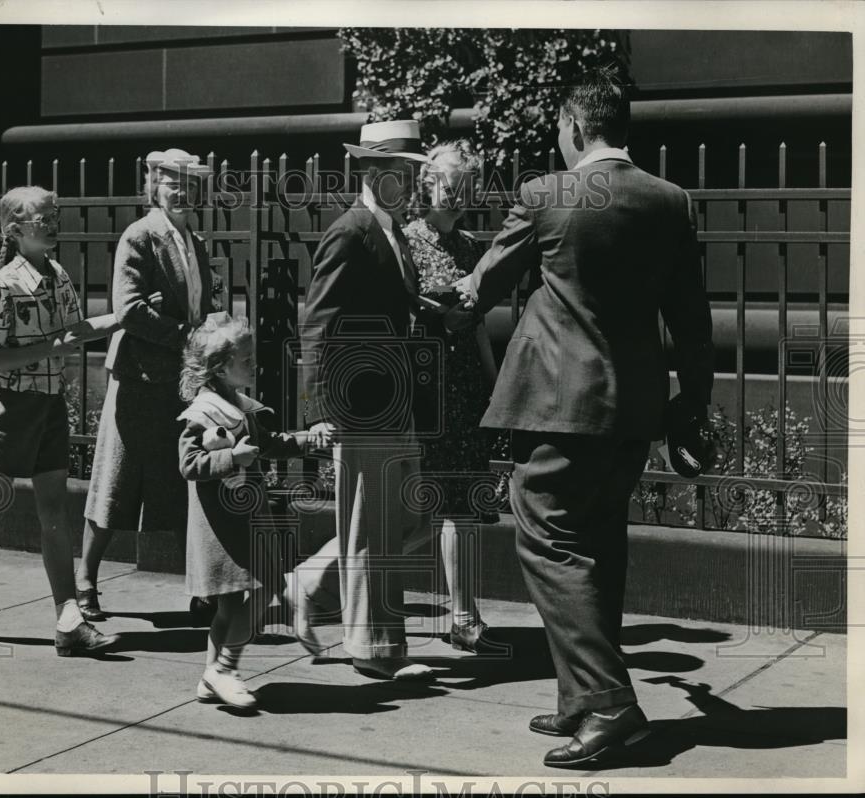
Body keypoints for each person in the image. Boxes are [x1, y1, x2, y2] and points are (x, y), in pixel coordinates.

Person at [453, 68, 714, 767]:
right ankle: (579, 696)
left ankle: (608, 705)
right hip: (631, 410)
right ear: (622, 130)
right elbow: (692, 319)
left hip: (558, 405)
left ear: (573, 129)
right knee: (598, 547)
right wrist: (692, 406)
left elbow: (481, 284)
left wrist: (456, 291)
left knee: (548, 539)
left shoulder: (547, 194)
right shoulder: (670, 201)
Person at [0, 185, 120, 656]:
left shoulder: (59, 274)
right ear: (15, 230)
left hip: (48, 405)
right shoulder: (1, 287)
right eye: (42, 218)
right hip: (7, 406)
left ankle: (69, 621)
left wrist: (123, 318)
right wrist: (51, 348)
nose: (52, 224)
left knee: (54, 511)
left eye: (54, 215)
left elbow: (74, 331)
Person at [293, 120, 436, 682]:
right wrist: (320, 408)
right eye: (402, 173)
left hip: (392, 401)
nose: (409, 183)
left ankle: (308, 585)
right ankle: (375, 648)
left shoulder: (389, 230)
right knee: (375, 522)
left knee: (408, 513)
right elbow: (317, 323)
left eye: (411, 174)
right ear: (372, 172)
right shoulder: (350, 231)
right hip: (361, 403)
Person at [78, 148, 216, 623]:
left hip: (182, 381)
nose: (182, 191)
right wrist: (185, 335)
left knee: (187, 483)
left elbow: (194, 308)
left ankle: (202, 589)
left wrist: (202, 336)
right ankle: (85, 582)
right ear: (153, 187)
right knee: (116, 482)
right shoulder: (140, 235)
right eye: (172, 182)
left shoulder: (193, 240)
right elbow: (131, 310)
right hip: (138, 380)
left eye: (190, 183)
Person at [178, 315, 318, 709]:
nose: (253, 364)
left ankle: (212, 677)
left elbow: (270, 442)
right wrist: (229, 457)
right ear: (221, 366)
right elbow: (189, 464)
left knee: (230, 606)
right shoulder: (203, 413)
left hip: (246, 521)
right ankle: (224, 668)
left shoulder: (239, 407)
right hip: (222, 526)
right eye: (245, 358)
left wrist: (309, 440)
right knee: (259, 590)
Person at [401, 140, 503, 653]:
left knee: (459, 503)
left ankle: (465, 617)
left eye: (467, 186)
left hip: (463, 389)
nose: (459, 195)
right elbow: (398, 317)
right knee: (422, 509)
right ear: (426, 184)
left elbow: (480, 321)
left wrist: (494, 386)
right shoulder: (407, 241)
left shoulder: (471, 246)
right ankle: (330, 580)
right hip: (424, 387)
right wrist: (439, 317)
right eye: (449, 184)